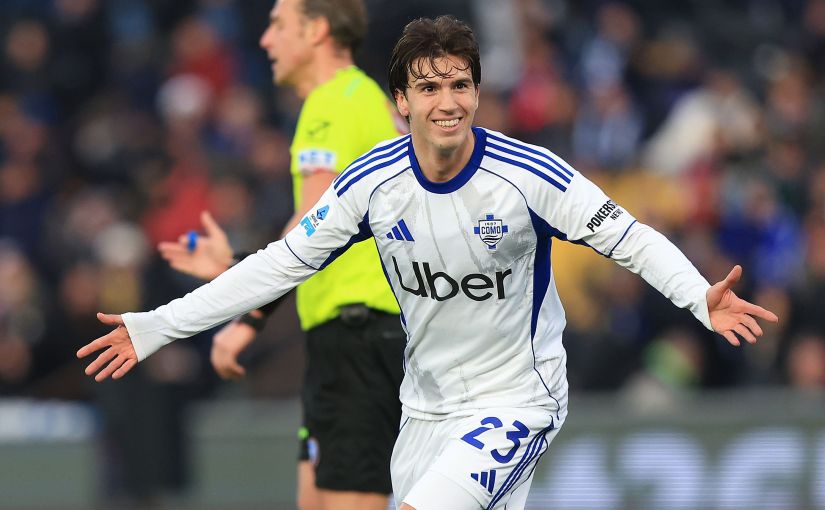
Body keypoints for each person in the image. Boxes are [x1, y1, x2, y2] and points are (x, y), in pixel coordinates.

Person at [78, 15, 778, 510]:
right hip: (425, 411)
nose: (447, 102)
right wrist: (156, 327)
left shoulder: (528, 176)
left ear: (476, 92)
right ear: (401, 102)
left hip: (516, 401)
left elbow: (629, 236)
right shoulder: (371, 185)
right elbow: (278, 266)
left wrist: (696, 296)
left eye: (459, 85)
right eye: (430, 88)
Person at [155, 1, 406, 509]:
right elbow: (327, 235)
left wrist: (245, 313)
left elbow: (310, 226)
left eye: (277, 25)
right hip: (349, 335)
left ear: (315, 31)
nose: (266, 40)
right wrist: (238, 265)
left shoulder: (334, 102)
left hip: (359, 334)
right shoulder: (358, 100)